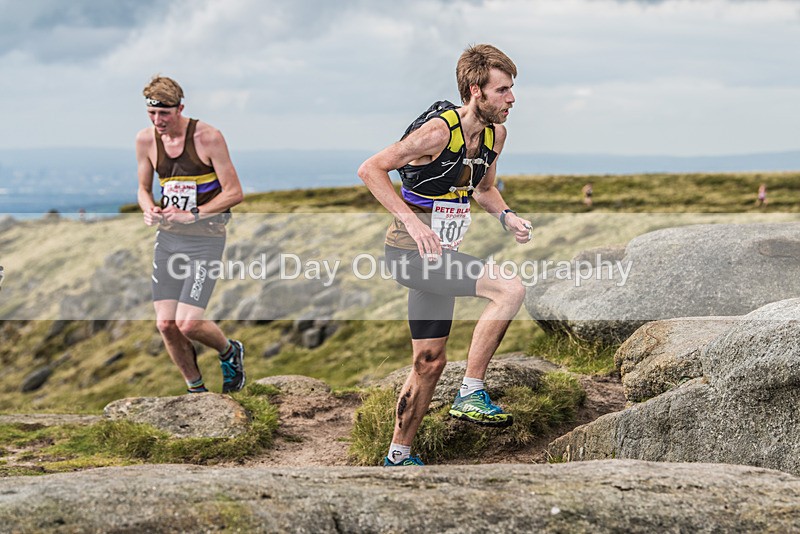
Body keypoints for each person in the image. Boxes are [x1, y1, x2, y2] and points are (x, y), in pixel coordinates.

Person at [358, 44, 531, 466]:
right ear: (476, 91)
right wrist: (414, 223)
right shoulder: (438, 132)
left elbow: (483, 188)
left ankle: (397, 456)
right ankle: (471, 392)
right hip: (410, 254)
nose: (511, 99)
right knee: (509, 290)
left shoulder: (495, 134)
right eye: (502, 90)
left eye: (512, 89)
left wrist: (506, 216)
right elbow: (370, 169)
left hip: (441, 253)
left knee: (429, 361)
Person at [135, 75, 246, 394]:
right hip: (168, 240)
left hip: (206, 240)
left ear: (180, 108)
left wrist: (193, 214)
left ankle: (229, 352)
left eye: (164, 114)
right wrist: (148, 208)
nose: (158, 121)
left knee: (189, 323)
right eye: (152, 114)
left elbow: (234, 192)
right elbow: (143, 188)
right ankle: (196, 391)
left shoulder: (208, 137)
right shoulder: (145, 140)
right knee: (166, 325)